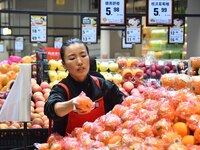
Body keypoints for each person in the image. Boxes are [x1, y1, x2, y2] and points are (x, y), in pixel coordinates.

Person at [44, 38, 125, 136]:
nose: (79, 62)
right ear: (64, 64)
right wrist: (72, 104)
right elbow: (52, 108)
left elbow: (124, 105)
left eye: (83, 55)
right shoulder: (61, 89)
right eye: (72, 58)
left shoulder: (104, 86)